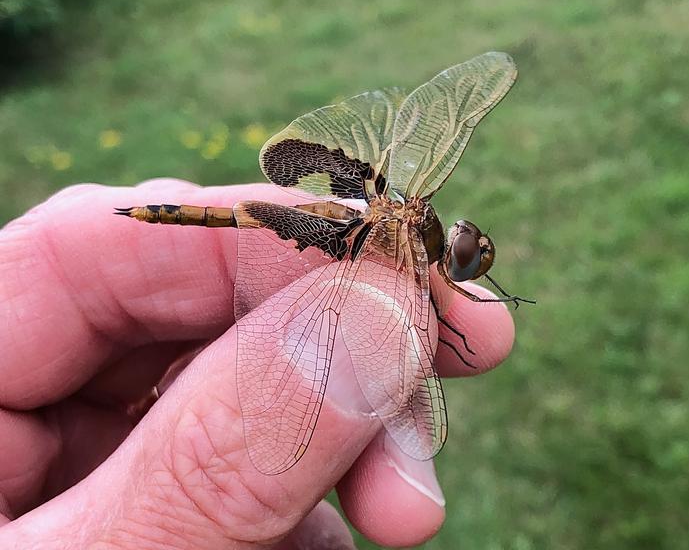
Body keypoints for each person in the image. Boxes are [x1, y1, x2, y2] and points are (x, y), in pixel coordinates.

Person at [0, 179, 515, 549]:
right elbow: (423, 307)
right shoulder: (408, 253)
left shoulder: (409, 229)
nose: (459, 258)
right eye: (463, 258)